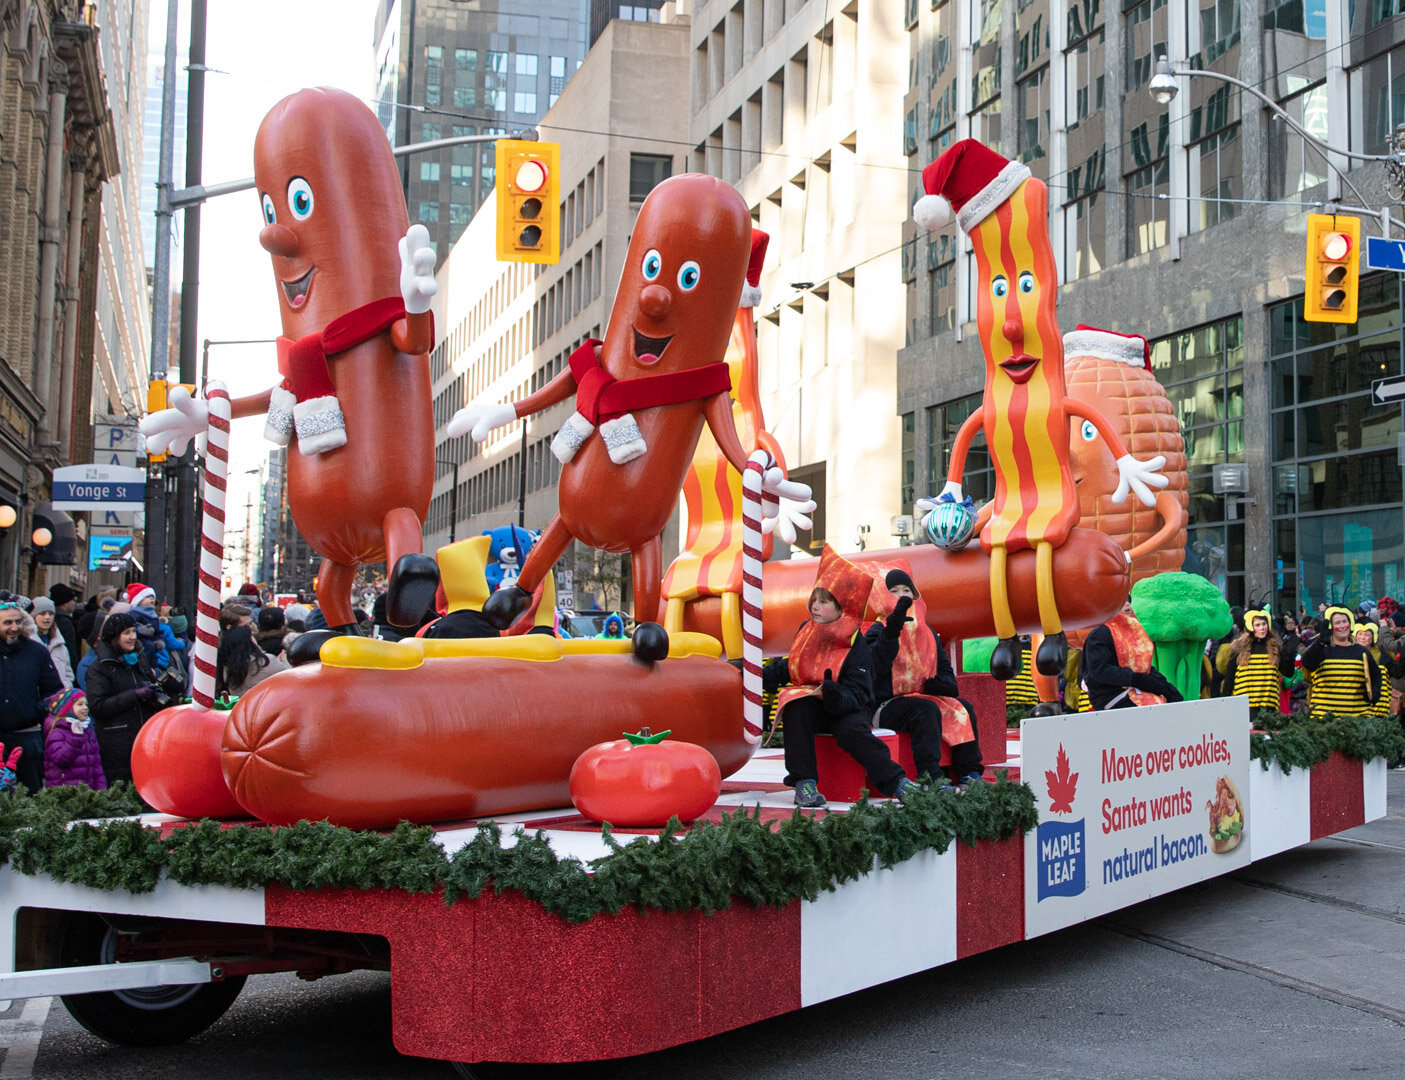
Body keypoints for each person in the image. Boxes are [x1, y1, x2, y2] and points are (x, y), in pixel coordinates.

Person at [763, 585, 909, 808]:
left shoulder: (854, 638)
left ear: (840, 608)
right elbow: (792, 666)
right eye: (814, 601)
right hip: (815, 705)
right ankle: (804, 783)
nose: (815, 606)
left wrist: (835, 695)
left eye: (823, 602)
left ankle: (898, 783)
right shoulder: (806, 630)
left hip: (848, 705)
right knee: (796, 707)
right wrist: (758, 676)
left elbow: (860, 692)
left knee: (851, 730)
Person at [864, 569, 984, 792]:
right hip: (885, 705)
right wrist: (892, 629)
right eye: (894, 591)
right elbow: (876, 666)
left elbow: (947, 674)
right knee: (925, 709)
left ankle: (969, 772)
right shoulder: (875, 630)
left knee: (963, 708)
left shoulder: (926, 632)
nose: (902, 596)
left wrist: (941, 685)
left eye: (907, 590)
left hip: (921, 698)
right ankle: (931, 778)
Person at [85, 612, 162, 786]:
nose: (132, 637)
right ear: (114, 637)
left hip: (144, 739)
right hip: (117, 744)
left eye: (134, 632)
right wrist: (134, 695)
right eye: (126, 633)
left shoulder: (139, 659)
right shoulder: (100, 668)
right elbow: (98, 707)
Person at [0, 601, 63, 793]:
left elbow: (54, 690)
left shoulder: (36, 652)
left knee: (30, 795)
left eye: (18, 622)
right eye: (7, 623)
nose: (14, 628)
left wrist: (39, 710)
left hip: (28, 736)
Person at [1080, 599, 1183, 710]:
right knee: (1158, 711)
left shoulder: (1133, 629)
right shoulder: (1099, 633)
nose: (1128, 604)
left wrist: (1166, 688)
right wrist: (1136, 679)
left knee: (1173, 704)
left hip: (1137, 689)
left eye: (1128, 600)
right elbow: (1099, 670)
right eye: (1122, 601)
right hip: (1111, 696)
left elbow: (1144, 666)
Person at [1301, 606, 1382, 719]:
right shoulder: (1321, 648)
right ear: (1330, 626)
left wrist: (1374, 692)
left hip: (1357, 719)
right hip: (1324, 719)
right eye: (1338, 623)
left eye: (1345, 621)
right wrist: (1320, 642)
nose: (1343, 626)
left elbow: (1376, 675)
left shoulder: (1361, 651)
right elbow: (1308, 664)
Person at [1221, 607, 1296, 713]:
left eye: (1264, 624)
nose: (1262, 628)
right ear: (1251, 627)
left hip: (1268, 706)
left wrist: (1287, 654)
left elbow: (1289, 673)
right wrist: (1224, 704)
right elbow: (1229, 678)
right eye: (1258, 625)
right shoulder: (1238, 647)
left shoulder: (1276, 647)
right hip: (1244, 706)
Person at [41, 689, 105, 790]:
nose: (85, 708)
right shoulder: (57, 733)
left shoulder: (88, 731)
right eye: (80, 704)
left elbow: (97, 766)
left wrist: (101, 790)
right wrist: (76, 737)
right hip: (66, 794)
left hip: (88, 792)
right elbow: (61, 760)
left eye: (86, 704)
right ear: (67, 709)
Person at [216, 624, 290, 698]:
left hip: (241, 705)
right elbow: (290, 677)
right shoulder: (266, 661)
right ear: (250, 641)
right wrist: (285, 661)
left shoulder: (227, 668)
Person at [1353, 622, 1402, 718]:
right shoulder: (1349, 653)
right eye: (1360, 634)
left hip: (1379, 705)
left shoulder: (1382, 654)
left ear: (1373, 638)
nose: (1363, 638)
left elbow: (1395, 672)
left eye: (1367, 635)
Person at [30, 597, 74, 690]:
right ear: (33, 616)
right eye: (42, 613)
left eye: (51, 614)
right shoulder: (28, 643)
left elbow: (68, 674)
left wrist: (66, 686)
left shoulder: (60, 644)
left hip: (60, 698)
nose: (47, 617)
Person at [48, 583, 80, 672]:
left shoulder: (56, 618)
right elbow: (71, 648)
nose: (74, 603)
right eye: (73, 600)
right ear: (65, 602)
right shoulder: (65, 622)